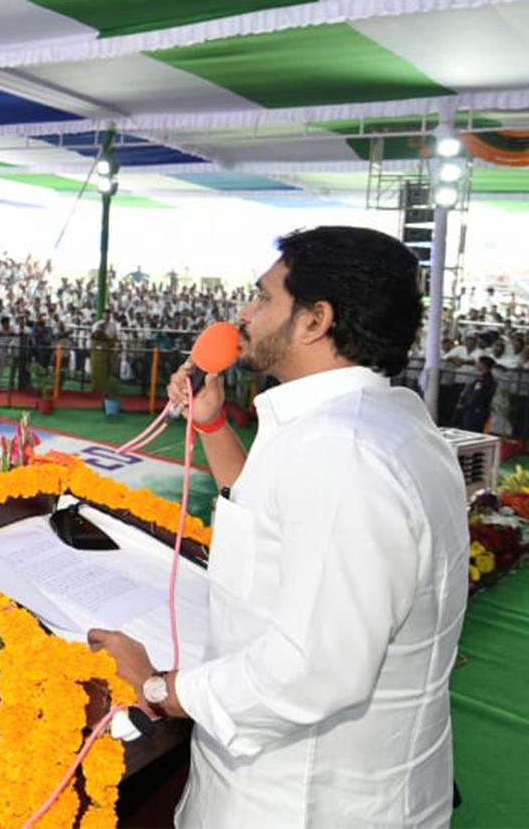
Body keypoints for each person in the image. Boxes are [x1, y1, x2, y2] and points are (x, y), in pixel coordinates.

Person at [89, 226, 469, 828]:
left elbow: (313, 669)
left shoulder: (344, 451)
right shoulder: (373, 422)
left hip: (304, 799)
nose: (244, 315)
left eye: (264, 298)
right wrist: (212, 426)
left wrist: (155, 687)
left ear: (316, 320)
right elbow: (273, 511)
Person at [454, 354, 496, 432]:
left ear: (483, 365)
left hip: (475, 411)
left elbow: (477, 396)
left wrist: (465, 406)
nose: (476, 365)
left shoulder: (485, 381)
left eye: (478, 363)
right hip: (472, 410)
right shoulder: (481, 378)